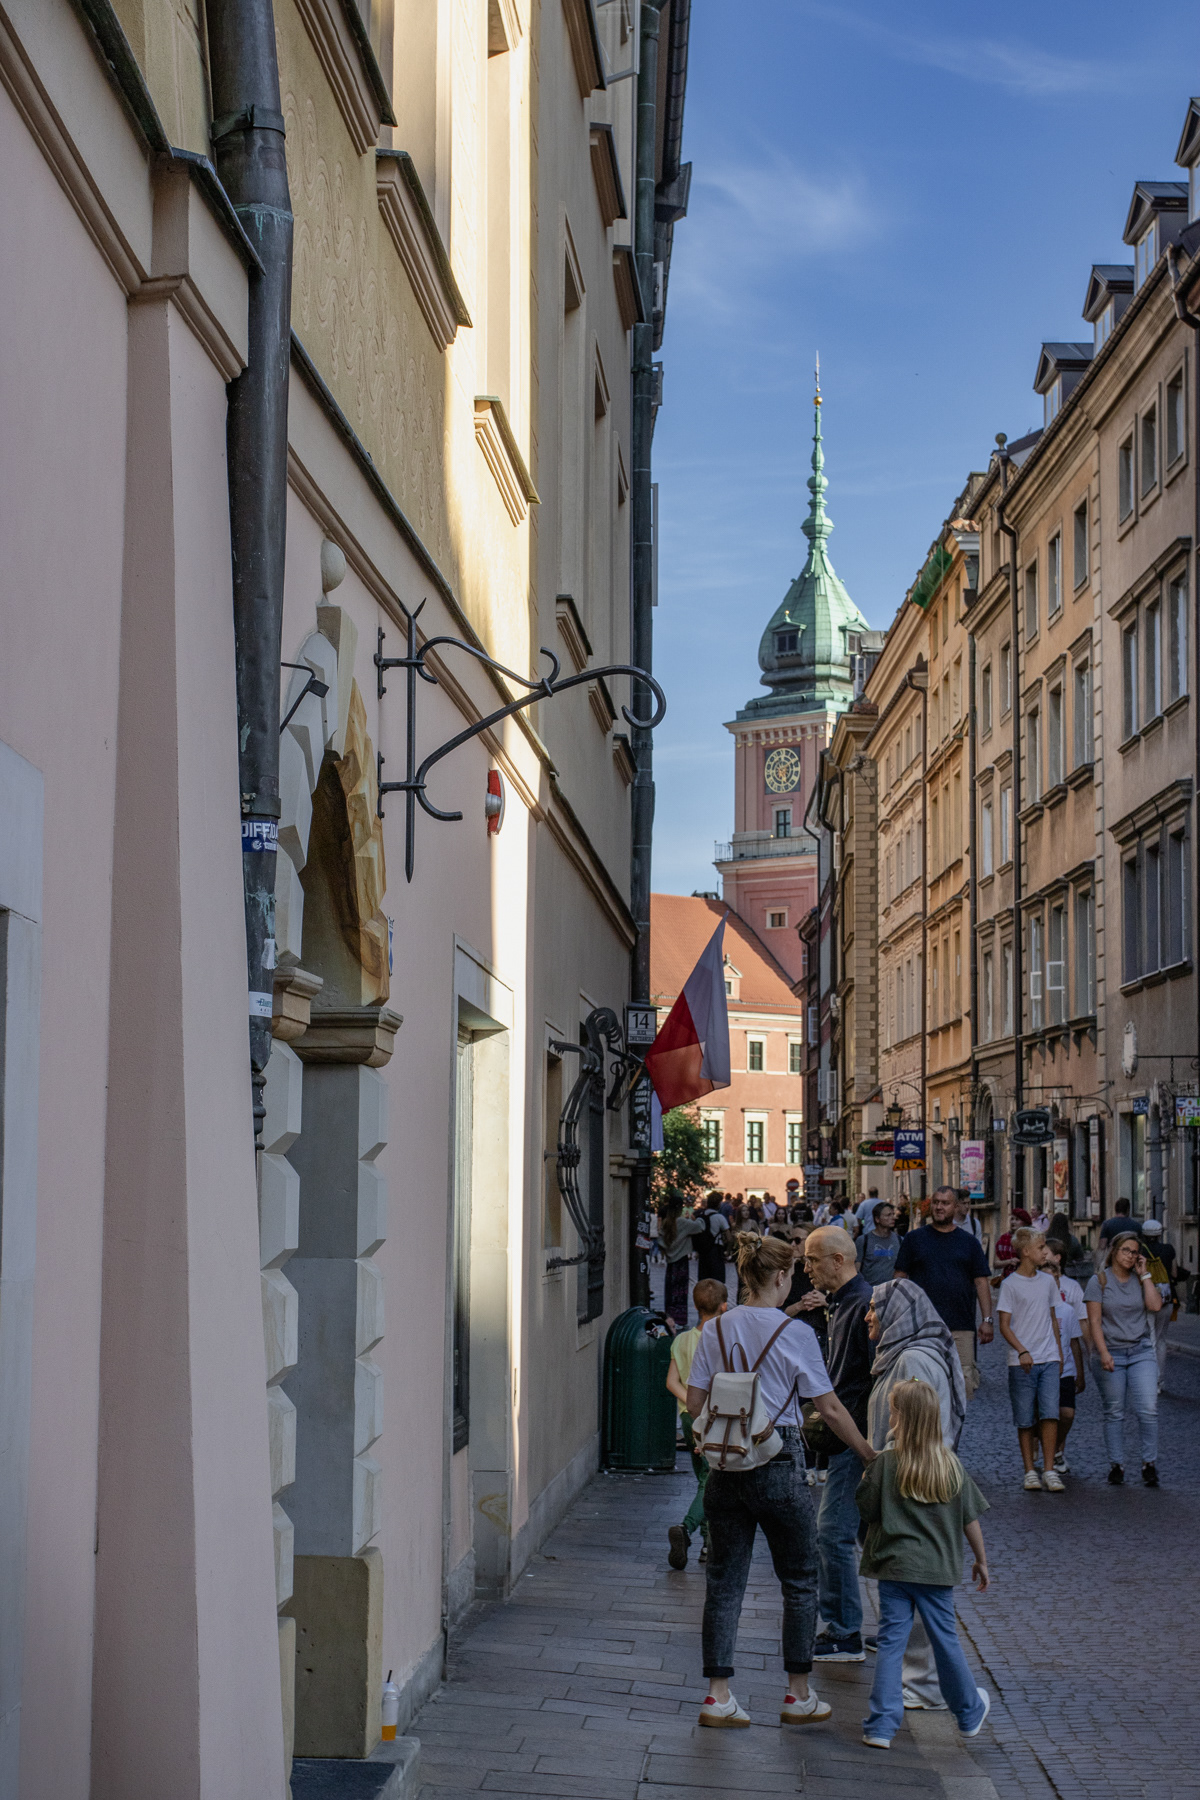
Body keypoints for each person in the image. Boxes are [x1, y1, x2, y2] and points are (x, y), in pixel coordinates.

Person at [686, 1232, 877, 1729]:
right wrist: (866, 1452)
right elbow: (829, 1408)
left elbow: (694, 1405)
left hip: (726, 1467)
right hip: (779, 1459)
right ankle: (797, 1694)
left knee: (724, 1582)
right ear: (779, 1277)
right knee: (799, 1581)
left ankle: (718, 1696)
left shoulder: (715, 1331)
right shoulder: (796, 1334)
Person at [857, 1380, 991, 1750]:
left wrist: (870, 1474)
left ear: (899, 1417)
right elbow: (970, 1519)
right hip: (936, 1571)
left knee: (890, 1644)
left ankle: (881, 1726)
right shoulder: (950, 1466)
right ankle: (968, 1712)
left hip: (894, 1568)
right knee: (945, 1641)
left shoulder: (885, 1463)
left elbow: (866, 1511)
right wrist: (980, 1560)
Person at [864, 1277, 968, 1714]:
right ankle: (919, 1681)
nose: (869, 1315)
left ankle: (924, 1685)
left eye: (875, 1308)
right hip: (908, 1485)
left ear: (898, 1314)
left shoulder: (913, 1359)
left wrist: (892, 1478)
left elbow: (924, 1431)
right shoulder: (902, 1354)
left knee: (920, 1596)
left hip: (912, 1491)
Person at [802, 1227, 873, 1663]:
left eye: (812, 1259)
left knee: (831, 1533)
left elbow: (863, 1380)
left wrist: (862, 1445)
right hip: (852, 1435)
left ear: (838, 1261)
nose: (806, 1267)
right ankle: (899, 1623)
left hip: (855, 1437)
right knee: (873, 1534)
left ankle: (845, 1631)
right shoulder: (844, 1304)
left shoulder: (861, 1305)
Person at [895, 1187, 994, 1399]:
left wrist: (987, 1320)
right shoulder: (914, 1239)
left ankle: (953, 1432)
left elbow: (981, 1282)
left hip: (961, 1326)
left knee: (963, 1385)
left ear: (956, 1207)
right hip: (922, 1326)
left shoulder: (969, 1243)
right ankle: (927, 1431)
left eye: (945, 1203)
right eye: (936, 1202)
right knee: (921, 1386)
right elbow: (900, 1278)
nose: (939, 1207)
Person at [1085, 1230, 1162, 1486]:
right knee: (1115, 1411)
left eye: (1134, 1252)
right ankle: (1116, 1465)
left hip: (1141, 1351)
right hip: (1111, 1353)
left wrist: (1145, 1274)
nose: (1130, 1256)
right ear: (1114, 1252)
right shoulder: (1099, 1281)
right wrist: (1103, 1353)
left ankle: (1149, 1464)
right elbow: (1094, 1321)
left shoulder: (1141, 1279)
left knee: (1148, 1410)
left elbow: (1155, 1306)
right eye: (1126, 1251)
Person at [666, 1279, 729, 1570]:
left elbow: (671, 1382)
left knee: (705, 1480)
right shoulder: (724, 1341)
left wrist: (691, 1404)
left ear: (695, 1306)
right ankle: (688, 1528)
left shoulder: (681, 1341)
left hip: (688, 1417)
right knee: (712, 1481)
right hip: (715, 1416)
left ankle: (708, 1543)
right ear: (724, 1307)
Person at [996, 1227, 1064, 1491]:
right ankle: (1029, 1470)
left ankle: (1049, 1469)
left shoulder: (1048, 1282)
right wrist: (1021, 1350)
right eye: (1040, 1247)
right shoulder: (1010, 1284)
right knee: (1024, 1418)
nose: (1044, 1252)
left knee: (1050, 1415)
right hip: (1021, 1362)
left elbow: (1053, 1320)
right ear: (1025, 1252)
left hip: (1048, 1358)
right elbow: (1004, 1325)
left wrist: (1058, 1354)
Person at [1043, 1239, 1087, 1474]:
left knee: (1065, 1413)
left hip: (1065, 1366)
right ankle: (1040, 1460)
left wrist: (1084, 1366)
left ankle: (1058, 1449)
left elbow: (1077, 1332)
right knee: (1040, 1414)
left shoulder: (1072, 1291)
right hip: (1040, 1362)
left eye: (1046, 1251)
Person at [1140, 1220, 1179, 1390]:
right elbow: (1174, 1274)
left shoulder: (1140, 1251)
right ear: (1159, 1234)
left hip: (1146, 1300)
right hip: (1165, 1299)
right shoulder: (1169, 1249)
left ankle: (1150, 1379)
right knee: (1161, 1339)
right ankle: (1160, 1380)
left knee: (1150, 1339)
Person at [659, 1193, 705, 1329]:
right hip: (681, 1261)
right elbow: (699, 1226)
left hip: (670, 1262)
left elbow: (661, 1242)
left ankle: (670, 1317)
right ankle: (680, 1319)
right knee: (680, 1292)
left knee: (670, 1291)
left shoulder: (667, 1222)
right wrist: (697, 1218)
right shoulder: (682, 1222)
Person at [857, 1202, 901, 1287]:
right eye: (888, 1215)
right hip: (871, 1294)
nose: (893, 1218)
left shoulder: (900, 1240)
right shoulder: (864, 1241)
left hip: (892, 1294)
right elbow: (856, 1270)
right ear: (877, 1219)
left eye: (893, 1214)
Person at [695, 1193, 730, 1284]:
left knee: (704, 1280)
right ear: (718, 1204)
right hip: (716, 1250)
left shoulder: (701, 1216)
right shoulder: (719, 1217)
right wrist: (728, 1251)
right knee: (717, 1280)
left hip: (703, 1250)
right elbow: (729, 1237)